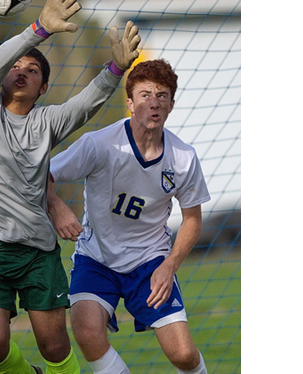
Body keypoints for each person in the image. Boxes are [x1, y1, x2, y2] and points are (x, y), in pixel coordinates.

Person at [0, 0, 141, 374]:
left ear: (43, 87)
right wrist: (37, 29)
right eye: (16, 67)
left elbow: (85, 103)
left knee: (55, 347)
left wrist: (117, 69)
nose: (22, 71)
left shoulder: (47, 121)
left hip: (34, 252)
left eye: (33, 69)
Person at [48, 58, 211, 374]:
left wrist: (169, 265)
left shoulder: (183, 157)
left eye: (162, 95)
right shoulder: (99, 144)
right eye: (145, 94)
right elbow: (46, 175)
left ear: (172, 104)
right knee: (85, 331)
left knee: (183, 355)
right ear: (130, 102)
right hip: (96, 259)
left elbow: (192, 218)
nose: (154, 103)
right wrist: (56, 206)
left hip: (150, 263)